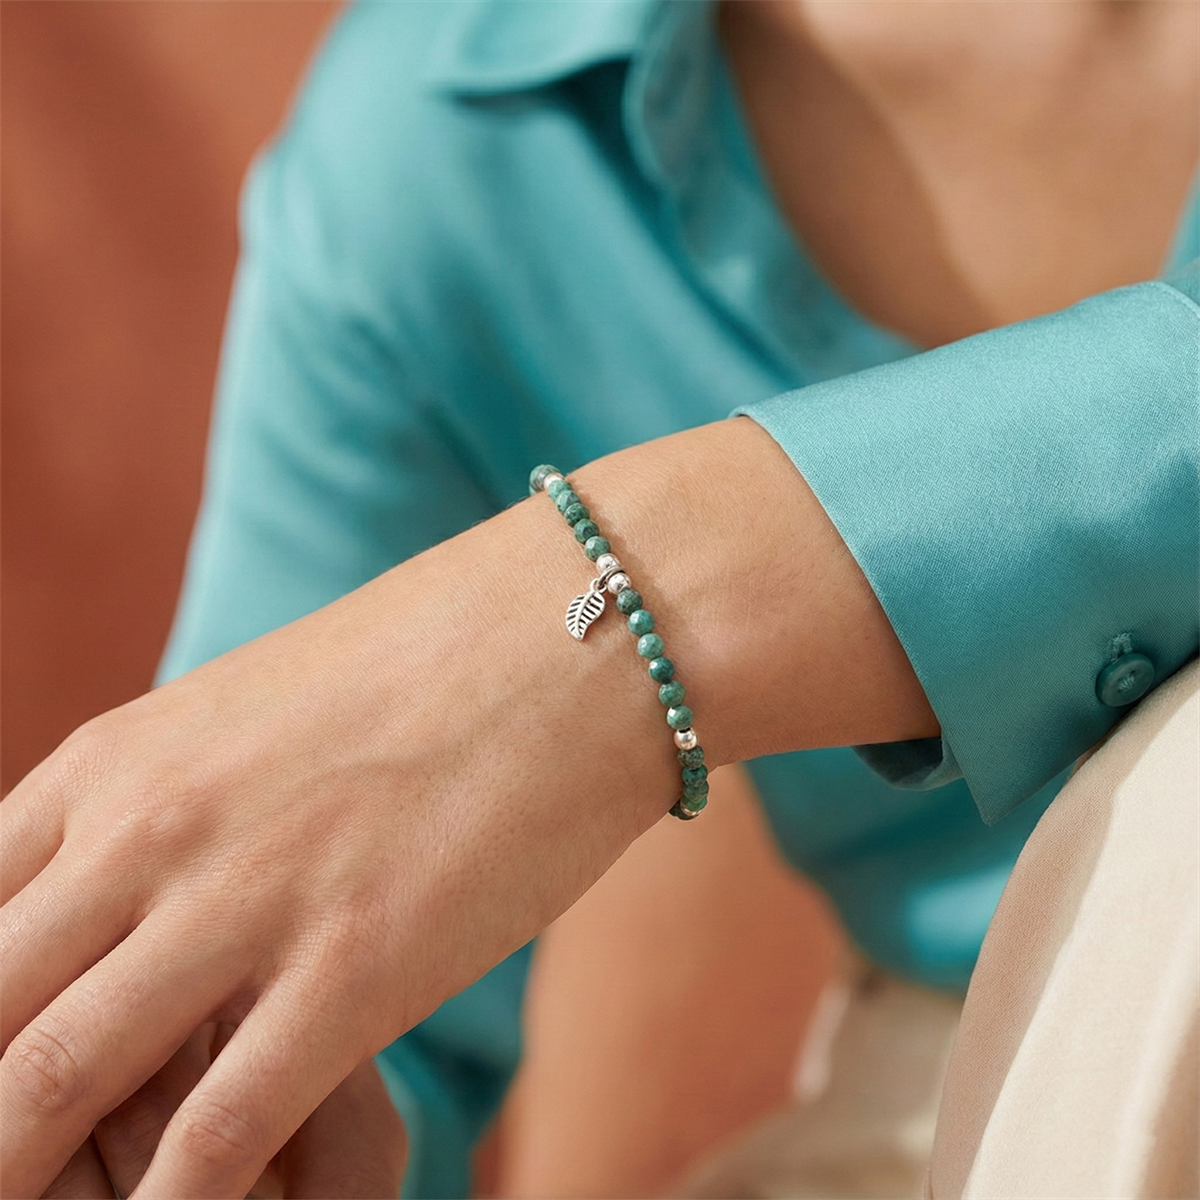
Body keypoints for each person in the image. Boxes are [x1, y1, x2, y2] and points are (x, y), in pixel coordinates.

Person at [2, 1, 1196, 1197]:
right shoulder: (450, 127)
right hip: (990, 1099)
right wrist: (204, 1136)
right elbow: (299, 936)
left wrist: (635, 607)